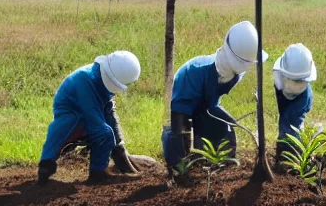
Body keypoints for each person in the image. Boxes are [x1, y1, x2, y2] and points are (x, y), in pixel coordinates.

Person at [161, 21, 267, 175]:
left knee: (223, 129)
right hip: (181, 100)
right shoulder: (195, 72)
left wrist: (230, 122)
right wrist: (181, 155)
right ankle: (179, 173)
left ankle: (212, 164)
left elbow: (211, 103)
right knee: (177, 136)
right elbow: (178, 112)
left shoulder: (235, 72)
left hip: (205, 105)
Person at [38, 50, 142, 184]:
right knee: (103, 132)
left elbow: (109, 112)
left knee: (109, 131)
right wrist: (109, 139)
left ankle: (104, 162)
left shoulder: (101, 82)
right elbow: (91, 115)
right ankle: (98, 174)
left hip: (89, 109)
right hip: (72, 113)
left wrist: (119, 146)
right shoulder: (84, 80)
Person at [273, 43, 317, 166]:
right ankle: (286, 152)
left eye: (299, 81)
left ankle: (294, 156)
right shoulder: (279, 79)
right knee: (286, 120)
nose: (296, 84)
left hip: (302, 98)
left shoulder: (304, 94)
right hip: (283, 96)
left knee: (292, 124)